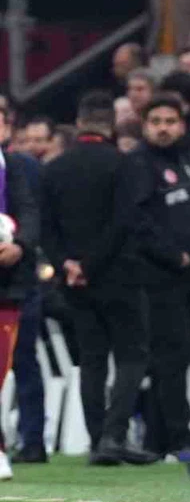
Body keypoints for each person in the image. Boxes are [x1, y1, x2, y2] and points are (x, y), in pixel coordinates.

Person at [41, 91, 157, 466]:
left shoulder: (54, 169)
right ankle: (113, 435)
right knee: (132, 355)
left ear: (79, 123)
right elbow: (124, 222)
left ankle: (97, 439)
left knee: (92, 359)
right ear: (111, 124)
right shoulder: (124, 165)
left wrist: (68, 265)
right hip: (118, 274)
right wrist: (90, 264)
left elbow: (46, 229)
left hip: (76, 282)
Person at [133, 96, 190, 456]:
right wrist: (173, 254)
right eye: (156, 121)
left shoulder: (184, 160)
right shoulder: (140, 164)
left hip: (185, 275)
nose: (163, 128)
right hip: (157, 276)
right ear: (144, 125)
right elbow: (138, 220)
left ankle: (158, 437)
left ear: (181, 125)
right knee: (170, 356)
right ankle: (178, 434)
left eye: (170, 121)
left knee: (173, 357)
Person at [0, 104, 40, 481]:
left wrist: (20, 246)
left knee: (2, 368)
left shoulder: (17, 168)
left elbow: (30, 213)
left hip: (6, 284)